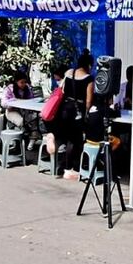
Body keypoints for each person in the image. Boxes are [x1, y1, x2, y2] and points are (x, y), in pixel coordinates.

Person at [55, 52, 94, 180]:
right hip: (78, 112)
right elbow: (88, 101)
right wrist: (87, 113)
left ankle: (63, 166)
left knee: (67, 140)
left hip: (65, 109)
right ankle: (70, 167)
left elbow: (63, 90)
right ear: (88, 65)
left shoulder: (69, 73)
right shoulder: (88, 79)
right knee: (76, 141)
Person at [1, 71, 42, 148]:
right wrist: (15, 101)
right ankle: (21, 140)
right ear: (16, 82)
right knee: (21, 121)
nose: (23, 84)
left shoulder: (27, 88)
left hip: (25, 110)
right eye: (21, 82)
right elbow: (3, 103)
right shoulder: (9, 89)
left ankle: (33, 137)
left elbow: (31, 99)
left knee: (34, 118)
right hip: (12, 111)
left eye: (25, 82)